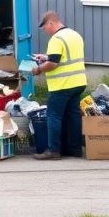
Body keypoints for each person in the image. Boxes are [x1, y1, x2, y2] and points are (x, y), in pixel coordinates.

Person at [31, 10, 87, 160]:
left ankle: (53, 150)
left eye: (44, 27)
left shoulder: (56, 39)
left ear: (51, 22)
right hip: (78, 82)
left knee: (53, 116)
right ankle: (75, 149)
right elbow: (65, 57)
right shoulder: (74, 35)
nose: (44, 31)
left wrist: (38, 69)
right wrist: (44, 57)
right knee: (73, 115)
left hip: (62, 84)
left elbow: (53, 64)